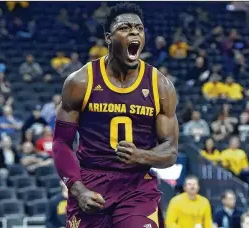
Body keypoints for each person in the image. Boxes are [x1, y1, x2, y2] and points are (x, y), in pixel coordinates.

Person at [53, 3, 179, 228]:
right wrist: (77, 189)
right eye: (125, 28)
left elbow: (170, 150)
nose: (134, 32)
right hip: (91, 181)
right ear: (108, 37)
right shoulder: (80, 81)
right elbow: (61, 142)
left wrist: (141, 156)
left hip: (137, 185)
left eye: (139, 29)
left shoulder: (160, 85)